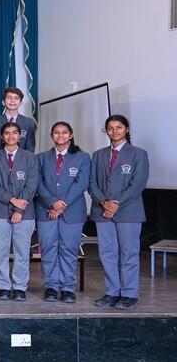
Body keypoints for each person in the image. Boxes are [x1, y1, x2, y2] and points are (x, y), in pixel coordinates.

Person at [89, 115, 149, 310]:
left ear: (127, 129)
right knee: (107, 254)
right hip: (102, 211)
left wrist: (116, 204)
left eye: (119, 127)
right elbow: (92, 183)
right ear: (106, 131)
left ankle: (129, 294)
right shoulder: (98, 155)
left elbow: (138, 183)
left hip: (128, 212)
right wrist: (104, 202)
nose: (114, 131)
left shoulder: (138, 154)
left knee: (129, 254)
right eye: (110, 128)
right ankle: (112, 292)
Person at [35, 121, 90, 304]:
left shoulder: (83, 157)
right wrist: (52, 203)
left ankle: (67, 287)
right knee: (49, 249)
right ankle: (51, 286)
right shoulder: (42, 157)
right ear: (52, 136)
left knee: (69, 249)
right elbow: (38, 183)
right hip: (46, 210)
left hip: (72, 212)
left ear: (71, 135)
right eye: (57, 133)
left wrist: (61, 205)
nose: (60, 135)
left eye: (64, 132)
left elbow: (82, 183)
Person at [0, 121, 39, 301]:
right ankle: (4, 286)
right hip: (0, 211)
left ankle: (20, 286)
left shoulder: (30, 157)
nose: (10, 136)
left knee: (22, 252)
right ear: (2, 136)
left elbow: (32, 184)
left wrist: (19, 208)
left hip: (25, 213)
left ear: (20, 136)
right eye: (7, 133)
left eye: (14, 133)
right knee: (1, 252)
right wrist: (12, 200)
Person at [0, 88, 38, 152]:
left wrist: (23, 158)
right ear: (3, 102)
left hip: (23, 157)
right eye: (9, 98)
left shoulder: (28, 122)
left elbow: (31, 146)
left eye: (16, 98)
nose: (12, 100)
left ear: (21, 103)